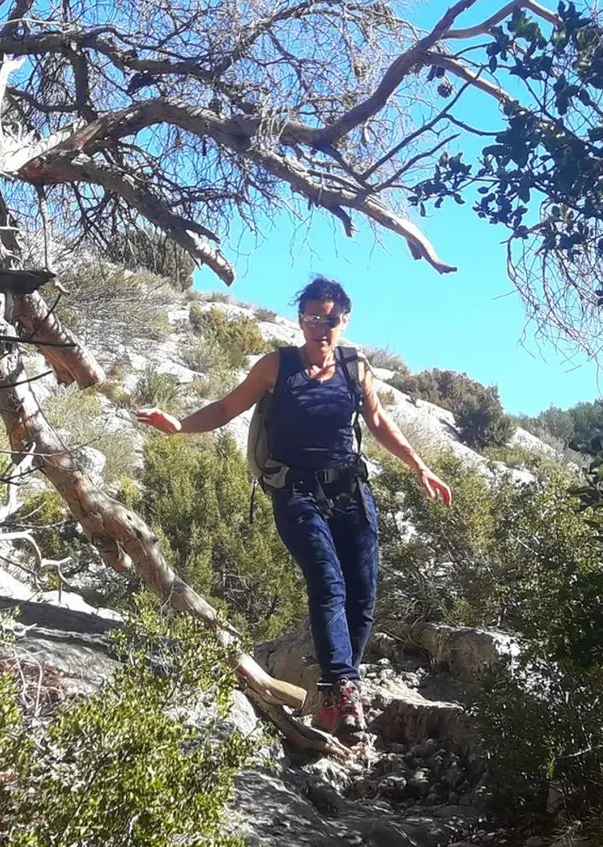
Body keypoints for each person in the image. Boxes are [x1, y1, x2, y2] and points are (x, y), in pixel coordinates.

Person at [135, 276, 451, 738]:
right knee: (328, 582)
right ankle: (344, 691)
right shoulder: (276, 367)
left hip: (350, 492)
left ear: (344, 320)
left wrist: (419, 466)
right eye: (311, 317)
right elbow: (226, 409)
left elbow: (379, 422)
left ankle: (335, 694)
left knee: (362, 596)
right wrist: (179, 425)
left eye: (330, 318)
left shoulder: (354, 367)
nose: (320, 327)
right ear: (300, 321)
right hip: (296, 493)